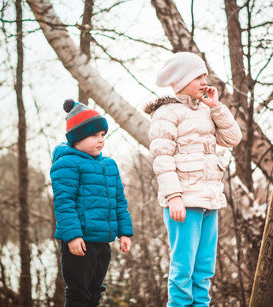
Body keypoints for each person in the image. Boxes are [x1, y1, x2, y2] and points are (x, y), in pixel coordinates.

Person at [144, 52, 242, 306]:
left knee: (204, 271)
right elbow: (162, 159)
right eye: (198, 76)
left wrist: (216, 107)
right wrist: (174, 196)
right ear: (182, 78)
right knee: (182, 271)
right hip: (183, 203)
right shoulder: (166, 113)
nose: (204, 81)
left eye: (204, 75)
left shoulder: (207, 111)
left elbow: (233, 139)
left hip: (210, 200)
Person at [50, 99, 134, 307]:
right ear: (77, 138)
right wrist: (73, 236)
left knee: (96, 290)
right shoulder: (67, 163)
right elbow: (64, 203)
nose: (101, 140)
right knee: (79, 292)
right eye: (94, 135)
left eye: (103, 135)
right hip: (80, 242)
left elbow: (119, 202)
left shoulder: (109, 165)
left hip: (102, 241)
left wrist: (124, 232)